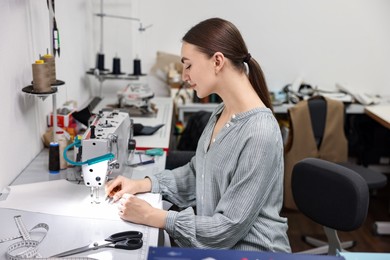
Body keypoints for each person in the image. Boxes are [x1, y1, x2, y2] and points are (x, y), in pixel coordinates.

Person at [105, 17, 291, 252]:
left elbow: (226, 227)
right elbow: (198, 173)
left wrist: (156, 216)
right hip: (219, 250)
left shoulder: (260, 133)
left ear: (217, 61)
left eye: (188, 65)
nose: (184, 76)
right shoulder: (222, 112)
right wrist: (140, 184)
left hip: (254, 253)